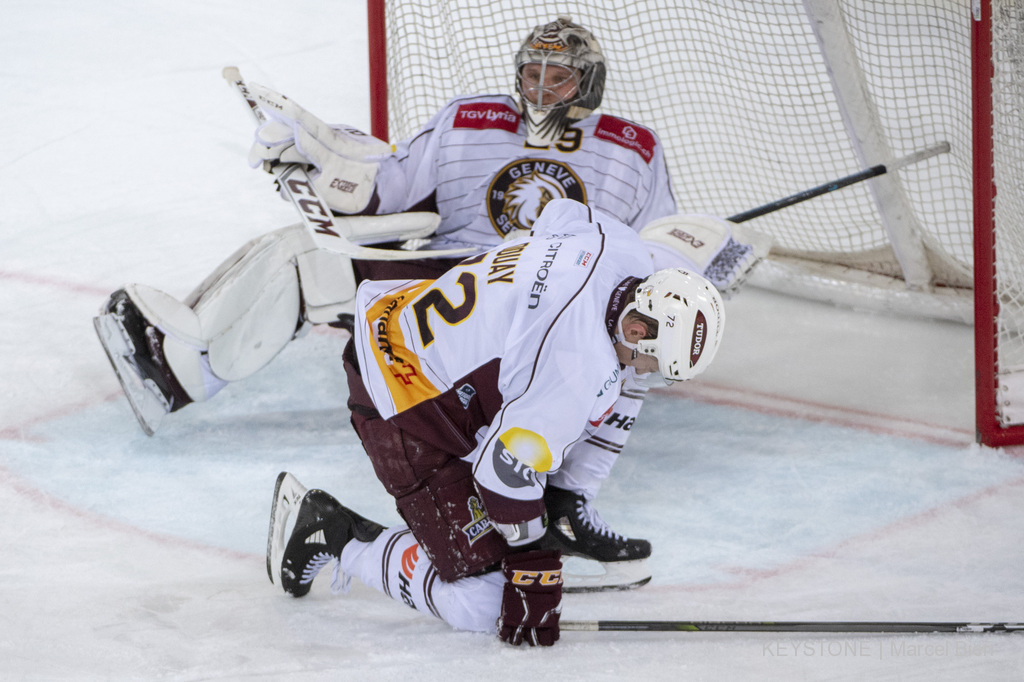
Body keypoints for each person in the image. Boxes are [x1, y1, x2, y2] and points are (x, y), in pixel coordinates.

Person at [94, 16, 765, 588]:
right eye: (532, 74)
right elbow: (389, 188)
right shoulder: (468, 120)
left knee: (616, 363)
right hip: (451, 284)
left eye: (557, 79)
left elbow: (652, 265)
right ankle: (179, 369)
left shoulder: (633, 150)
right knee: (301, 253)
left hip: (555, 313)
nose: (540, 90)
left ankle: (564, 501)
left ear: (588, 86)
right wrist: (322, 160)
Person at [265, 199, 725, 646]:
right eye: (653, 361)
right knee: (484, 606)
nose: (647, 371)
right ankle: (334, 532)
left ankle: (554, 502)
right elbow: (503, 475)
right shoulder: (574, 366)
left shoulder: (618, 245)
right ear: (636, 329)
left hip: (401, 320)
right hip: (405, 406)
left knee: (597, 397)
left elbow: (558, 210)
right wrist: (533, 563)